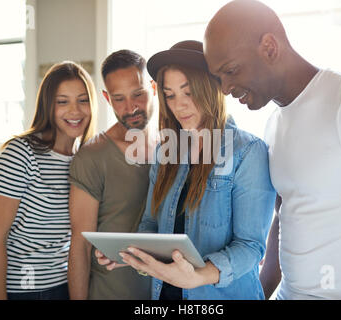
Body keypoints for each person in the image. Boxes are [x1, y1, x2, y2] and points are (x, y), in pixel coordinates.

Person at [203, 0, 341, 299]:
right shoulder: (273, 125)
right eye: (219, 77)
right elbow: (286, 215)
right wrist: (261, 291)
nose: (225, 88)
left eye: (231, 70)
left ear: (270, 47)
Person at [96, 40, 276, 300]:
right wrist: (130, 253)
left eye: (188, 92)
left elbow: (250, 247)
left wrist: (197, 277)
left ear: (210, 86)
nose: (178, 105)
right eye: (169, 95)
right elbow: (151, 223)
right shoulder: (165, 151)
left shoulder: (247, 151)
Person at [0, 61, 97, 300]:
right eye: (63, 101)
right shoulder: (20, 154)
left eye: (83, 100)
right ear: (48, 106)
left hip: (60, 285)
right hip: (14, 289)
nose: (75, 111)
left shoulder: (85, 158)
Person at [68, 50, 156, 299]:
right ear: (107, 99)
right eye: (119, 99)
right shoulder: (92, 156)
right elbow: (80, 246)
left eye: (138, 94)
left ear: (154, 88)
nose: (131, 107)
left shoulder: (170, 150)